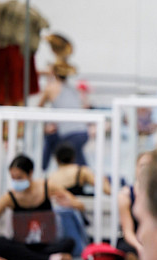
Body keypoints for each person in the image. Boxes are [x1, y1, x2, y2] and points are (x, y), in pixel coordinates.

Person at [0, 155, 84, 260]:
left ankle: (29, 258)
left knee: (69, 242)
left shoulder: (47, 187)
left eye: (20, 177)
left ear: (30, 173)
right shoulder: (9, 197)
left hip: (46, 244)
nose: (16, 181)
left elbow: (80, 205)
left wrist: (70, 204)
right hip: (22, 244)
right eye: (13, 178)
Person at [39, 34, 89, 170]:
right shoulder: (72, 89)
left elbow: (39, 108)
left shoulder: (51, 88)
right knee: (79, 163)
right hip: (82, 132)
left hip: (70, 133)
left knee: (75, 164)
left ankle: (42, 170)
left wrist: (45, 126)